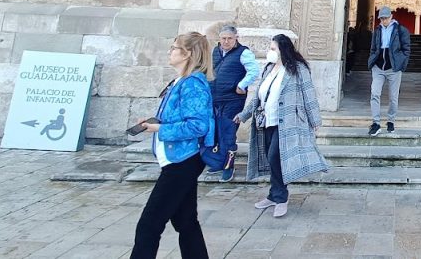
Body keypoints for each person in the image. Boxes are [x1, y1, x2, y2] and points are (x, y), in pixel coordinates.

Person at [131, 32, 215, 259]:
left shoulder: (193, 84)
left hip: (182, 161)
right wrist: (153, 123)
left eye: (174, 48)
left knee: (149, 225)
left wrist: (159, 129)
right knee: (186, 222)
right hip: (178, 160)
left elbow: (198, 126)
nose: (170, 51)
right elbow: (178, 117)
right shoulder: (181, 82)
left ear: (187, 54)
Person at [235, 34, 328, 218]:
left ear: (282, 50)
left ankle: (281, 197)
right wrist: (244, 115)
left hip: (288, 123)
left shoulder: (298, 69)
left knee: (274, 156)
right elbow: (258, 96)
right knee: (271, 159)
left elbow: (309, 94)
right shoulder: (269, 68)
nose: (269, 52)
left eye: (272, 49)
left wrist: (315, 120)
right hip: (266, 121)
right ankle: (273, 194)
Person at [207, 25, 260, 181]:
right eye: (223, 38)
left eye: (229, 38)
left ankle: (228, 166)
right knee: (216, 131)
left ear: (236, 38)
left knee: (228, 131)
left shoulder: (243, 52)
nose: (226, 41)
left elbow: (254, 71)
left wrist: (241, 85)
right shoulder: (215, 51)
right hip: (215, 98)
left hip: (233, 100)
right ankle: (219, 162)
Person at [367, 6, 411, 136]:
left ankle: (391, 121)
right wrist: (372, 60)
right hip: (378, 67)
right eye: (381, 18)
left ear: (391, 16)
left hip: (394, 68)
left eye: (386, 18)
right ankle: (376, 123)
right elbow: (373, 48)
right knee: (374, 93)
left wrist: (401, 63)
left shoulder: (400, 30)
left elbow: (406, 49)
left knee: (393, 97)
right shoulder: (377, 30)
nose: (384, 20)